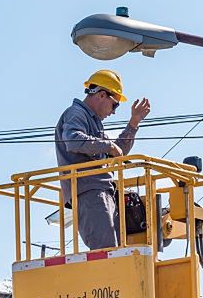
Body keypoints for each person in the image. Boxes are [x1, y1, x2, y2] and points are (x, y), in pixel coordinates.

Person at [54, 69, 151, 250]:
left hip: (100, 192)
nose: (113, 112)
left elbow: (117, 152)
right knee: (106, 251)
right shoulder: (76, 113)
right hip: (89, 192)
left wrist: (133, 124)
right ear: (101, 95)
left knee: (116, 251)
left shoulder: (93, 122)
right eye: (114, 105)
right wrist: (108, 146)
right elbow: (73, 140)